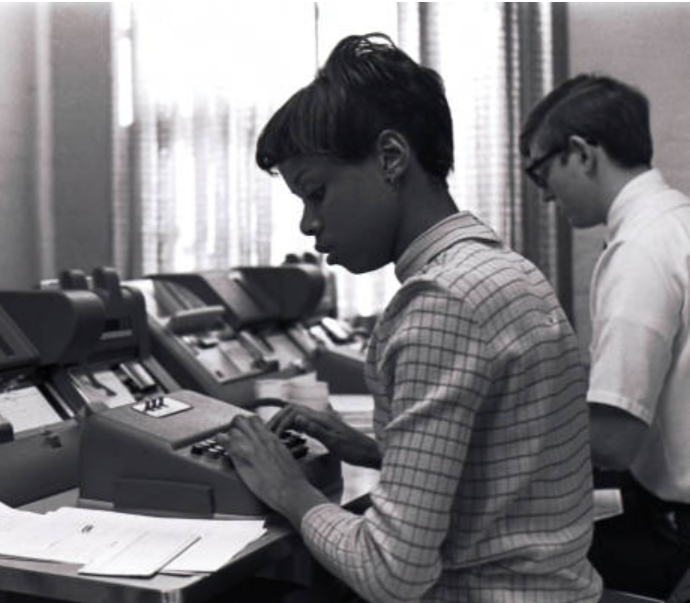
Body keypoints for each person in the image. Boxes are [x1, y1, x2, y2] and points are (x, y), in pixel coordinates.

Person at [218, 33, 602, 602]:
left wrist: (290, 490)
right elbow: (500, 471)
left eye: (316, 193)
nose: (307, 224)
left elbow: (391, 574)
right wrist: (377, 450)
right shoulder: (502, 269)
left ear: (391, 158)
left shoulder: (440, 303)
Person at [520, 73, 690, 599]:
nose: (544, 196)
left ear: (581, 153)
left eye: (539, 171)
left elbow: (613, 441)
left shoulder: (638, 251)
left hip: (677, 531)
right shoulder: (676, 222)